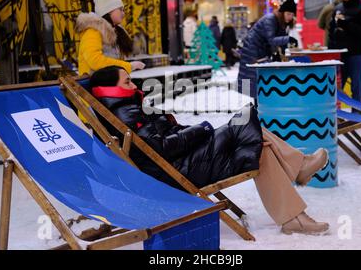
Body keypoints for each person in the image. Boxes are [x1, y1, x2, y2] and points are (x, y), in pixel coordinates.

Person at [90, 66, 331, 235]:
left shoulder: (126, 108)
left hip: (181, 163)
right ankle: (299, 172)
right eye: (127, 81)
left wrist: (187, 130)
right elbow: (160, 148)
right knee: (246, 124)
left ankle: (294, 214)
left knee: (257, 143)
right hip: (179, 172)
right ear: (111, 89)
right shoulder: (124, 113)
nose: (133, 84)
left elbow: (162, 139)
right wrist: (200, 129)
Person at [238, 0, 299, 97]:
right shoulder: (270, 19)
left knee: (260, 80)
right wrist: (288, 39)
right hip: (252, 49)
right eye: (288, 14)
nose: (290, 17)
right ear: (282, 13)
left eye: (292, 15)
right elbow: (272, 40)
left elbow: (279, 41)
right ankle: (255, 108)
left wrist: (283, 53)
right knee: (252, 79)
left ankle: (259, 106)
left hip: (261, 50)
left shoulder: (281, 23)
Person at [75, 0, 145, 76]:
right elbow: (95, 61)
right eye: (120, 10)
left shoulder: (115, 32)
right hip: (93, 86)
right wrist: (128, 66)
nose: (123, 13)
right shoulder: (92, 31)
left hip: (107, 83)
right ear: (108, 11)